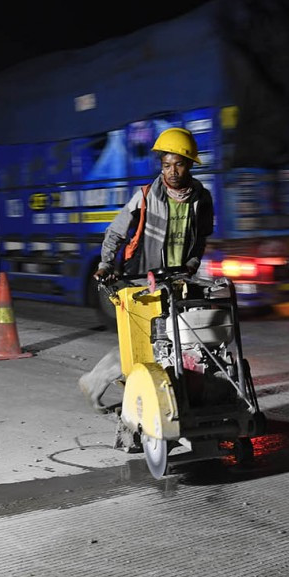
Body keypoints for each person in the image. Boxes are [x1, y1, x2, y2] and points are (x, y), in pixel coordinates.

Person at [78, 126, 214, 411]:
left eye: (178, 164)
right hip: (143, 280)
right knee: (142, 342)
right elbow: (115, 232)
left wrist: (193, 263)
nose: (172, 171)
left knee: (179, 339)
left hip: (178, 281)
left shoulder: (202, 198)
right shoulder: (145, 196)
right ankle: (95, 382)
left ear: (190, 164)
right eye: (166, 165)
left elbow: (201, 237)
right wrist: (105, 264)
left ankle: (176, 394)